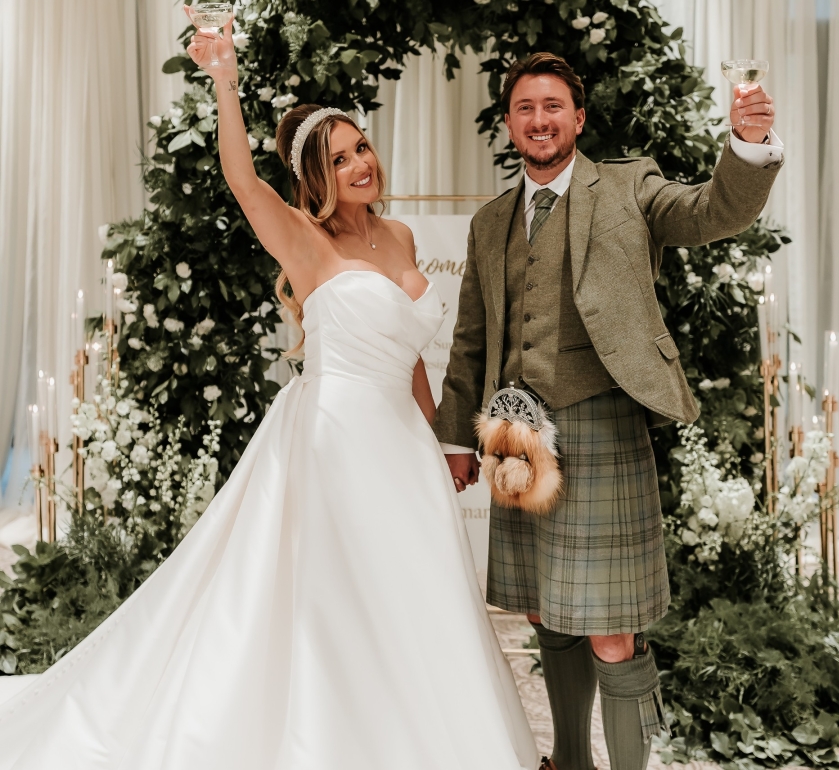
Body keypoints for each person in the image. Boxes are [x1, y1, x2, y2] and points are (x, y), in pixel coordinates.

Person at [0, 18, 539, 770]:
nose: (360, 164)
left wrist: (441, 438)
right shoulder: (303, 239)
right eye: (340, 158)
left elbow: (412, 355)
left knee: (416, 593)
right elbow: (242, 179)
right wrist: (224, 76)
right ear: (316, 177)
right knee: (343, 593)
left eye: (362, 147)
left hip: (404, 441)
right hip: (336, 434)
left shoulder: (404, 239)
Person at [434, 52, 783, 770]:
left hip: (603, 420)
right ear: (509, 122)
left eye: (553, 106)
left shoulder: (628, 186)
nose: (539, 119)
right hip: (515, 434)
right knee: (543, 612)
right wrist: (455, 438)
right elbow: (471, 338)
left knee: (611, 628)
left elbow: (711, 211)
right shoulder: (491, 220)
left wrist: (746, 146)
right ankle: (569, 761)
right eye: (526, 107)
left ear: (579, 118)